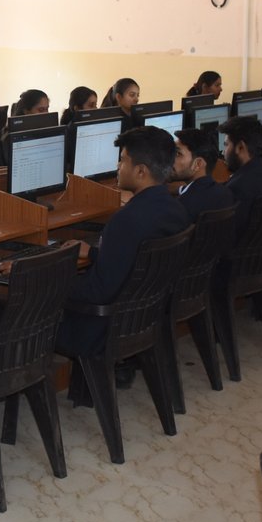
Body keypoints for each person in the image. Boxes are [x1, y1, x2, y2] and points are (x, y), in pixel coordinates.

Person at [56, 126, 189, 358]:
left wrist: (46, 281)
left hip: (102, 328)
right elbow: (136, 261)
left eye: (123, 161)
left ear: (140, 171)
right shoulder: (176, 210)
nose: (118, 166)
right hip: (146, 320)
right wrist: (95, 254)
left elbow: (98, 291)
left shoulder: (126, 220)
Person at [219, 114, 262, 237]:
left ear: (240, 147)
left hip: (239, 255)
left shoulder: (237, 188)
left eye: (226, 145)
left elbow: (228, 236)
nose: (223, 152)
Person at [171, 127, 235, 221]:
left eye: (177, 154)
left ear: (198, 164)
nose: (170, 159)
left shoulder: (180, 207)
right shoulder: (226, 193)